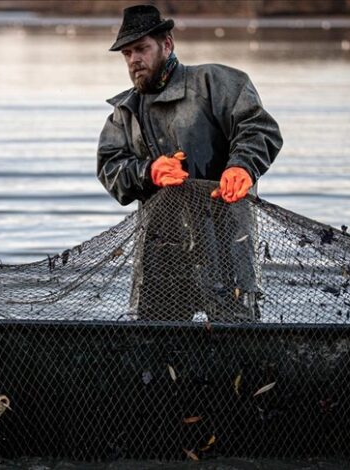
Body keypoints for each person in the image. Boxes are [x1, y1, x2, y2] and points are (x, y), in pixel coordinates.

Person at [96, 5, 283, 322]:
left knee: (238, 347)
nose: (133, 60)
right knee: (157, 354)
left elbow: (258, 129)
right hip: (160, 257)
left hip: (227, 248)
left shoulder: (217, 82)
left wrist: (242, 166)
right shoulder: (124, 111)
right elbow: (110, 168)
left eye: (141, 48)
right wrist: (149, 171)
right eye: (127, 53)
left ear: (167, 44)